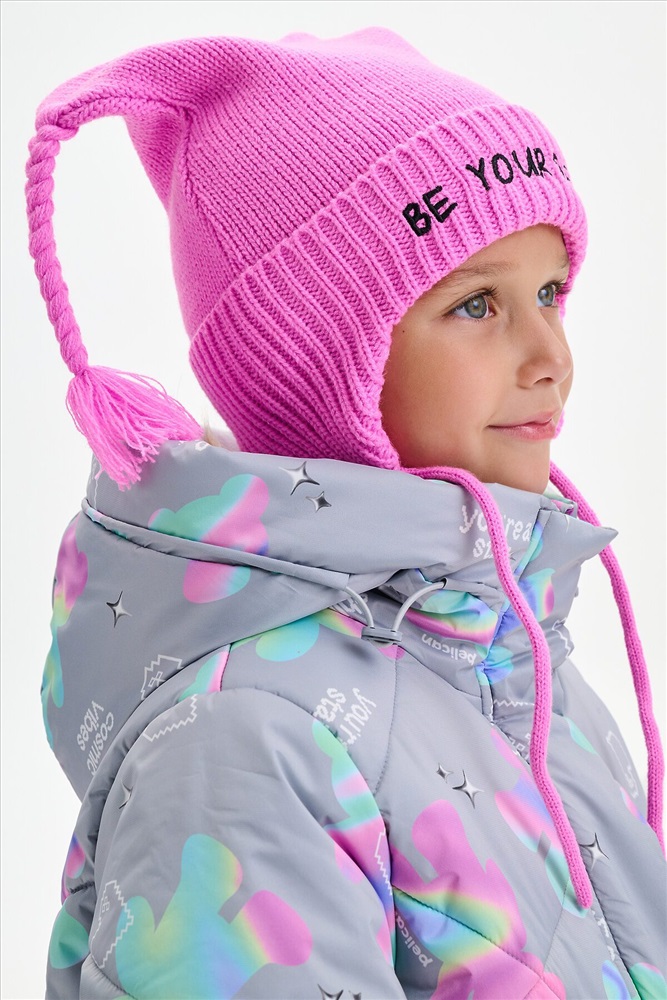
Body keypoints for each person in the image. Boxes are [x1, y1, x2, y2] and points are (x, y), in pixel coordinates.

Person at [26, 28, 665, 1000]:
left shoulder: (503, 645)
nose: (552, 356)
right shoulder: (243, 740)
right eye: (477, 306)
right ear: (321, 363)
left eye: (548, 292)